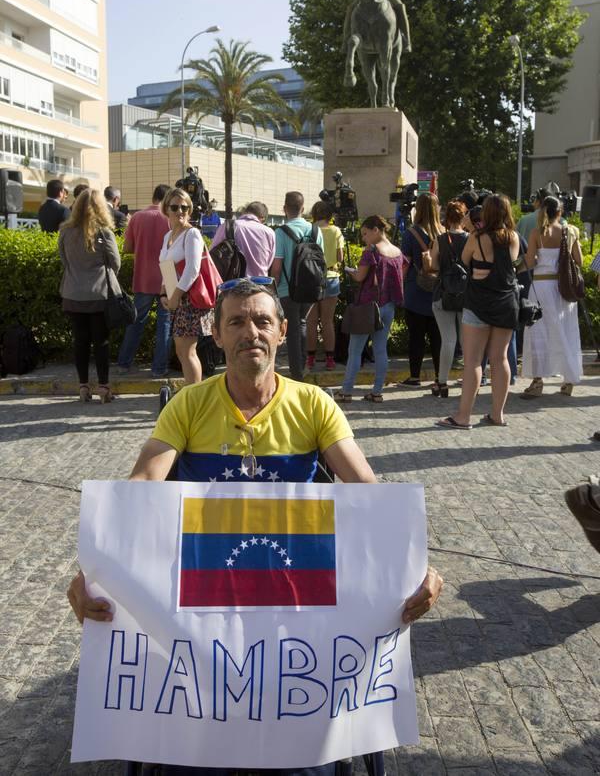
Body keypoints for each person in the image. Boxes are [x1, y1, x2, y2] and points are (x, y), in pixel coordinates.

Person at [67, 279, 444, 776]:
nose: (252, 333)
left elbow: (368, 490)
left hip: (298, 601)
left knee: (306, 764)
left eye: (263, 321)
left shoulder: (313, 404)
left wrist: (415, 566)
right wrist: (93, 573)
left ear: (283, 331)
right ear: (216, 335)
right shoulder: (188, 404)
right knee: (194, 759)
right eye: (237, 322)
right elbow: (141, 487)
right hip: (203, 596)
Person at [438, 194, 519, 429]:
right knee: (500, 358)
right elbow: (513, 264)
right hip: (505, 303)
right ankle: (497, 414)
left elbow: (464, 262)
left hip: (478, 303)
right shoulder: (513, 237)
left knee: (473, 360)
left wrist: (470, 227)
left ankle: (463, 417)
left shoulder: (476, 238)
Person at [58, 189, 120, 403]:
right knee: (101, 342)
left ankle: (83, 387)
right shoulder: (104, 233)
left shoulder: (65, 231)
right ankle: (104, 387)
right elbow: (116, 263)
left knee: (80, 342)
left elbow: (64, 260)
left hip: (73, 294)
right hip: (99, 294)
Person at [336, 215, 404, 403]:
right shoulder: (397, 251)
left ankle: (346, 391)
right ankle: (377, 391)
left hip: (367, 306)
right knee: (381, 349)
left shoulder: (371, 253)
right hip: (388, 306)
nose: (364, 238)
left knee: (355, 350)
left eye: (365, 234)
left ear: (376, 230)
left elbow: (359, 277)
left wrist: (349, 271)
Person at [520, 195, 583, 398]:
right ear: (560, 212)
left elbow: (529, 262)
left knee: (538, 332)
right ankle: (568, 380)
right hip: (563, 287)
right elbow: (579, 261)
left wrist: (535, 258)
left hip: (541, 286)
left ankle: (538, 381)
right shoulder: (570, 231)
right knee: (565, 330)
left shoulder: (537, 233)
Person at [159, 187, 213, 385]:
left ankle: (195, 396)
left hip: (190, 301)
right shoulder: (168, 236)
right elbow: (166, 267)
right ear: (166, 209)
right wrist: (164, 295)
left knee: (188, 351)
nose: (180, 211)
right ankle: (192, 393)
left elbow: (192, 270)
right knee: (181, 352)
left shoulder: (192, 234)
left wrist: (174, 297)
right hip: (177, 301)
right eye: (175, 207)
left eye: (185, 207)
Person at [117, 184, 172, 378]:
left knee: (136, 320)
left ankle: (124, 363)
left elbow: (127, 248)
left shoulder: (138, 217)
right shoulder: (172, 218)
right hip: (169, 274)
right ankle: (159, 368)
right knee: (165, 323)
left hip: (144, 273)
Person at [271, 191, 324, 381]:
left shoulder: (281, 232)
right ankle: (302, 367)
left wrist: (273, 290)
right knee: (301, 324)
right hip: (311, 289)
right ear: (303, 209)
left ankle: (297, 375)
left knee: (292, 330)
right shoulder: (316, 231)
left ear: (284, 209)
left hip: (287, 290)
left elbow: (276, 267)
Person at [400, 192, 443, 386]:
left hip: (415, 290)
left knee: (416, 336)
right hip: (439, 290)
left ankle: (415, 376)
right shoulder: (444, 233)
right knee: (438, 338)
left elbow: (405, 263)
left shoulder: (411, 233)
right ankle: (438, 378)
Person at [428, 200, 468, 397]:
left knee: (448, 340)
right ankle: (471, 379)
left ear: (446, 218)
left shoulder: (440, 240)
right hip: (466, 295)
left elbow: (434, 266)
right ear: (464, 216)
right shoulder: (471, 239)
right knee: (466, 341)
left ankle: (442, 383)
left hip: (442, 293)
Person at [306, 201, 344, 371]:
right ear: (330, 215)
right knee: (328, 321)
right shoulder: (335, 231)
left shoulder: (309, 229)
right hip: (331, 276)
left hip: (312, 278)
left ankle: (310, 359)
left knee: (311, 322)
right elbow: (340, 257)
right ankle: (330, 359)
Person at [211, 201, 275, 277]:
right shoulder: (269, 233)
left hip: (231, 283)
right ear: (263, 218)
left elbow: (212, 254)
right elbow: (269, 262)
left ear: (245, 212)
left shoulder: (228, 226)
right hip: (260, 284)